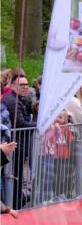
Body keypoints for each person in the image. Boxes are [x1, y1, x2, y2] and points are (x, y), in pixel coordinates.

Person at [1, 71, 36, 209]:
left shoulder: (18, 99)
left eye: (27, 84)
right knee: (14, 176)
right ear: (13, 86)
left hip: (17, 145)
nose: (25, 87)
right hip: (15, 147)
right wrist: (39, 125)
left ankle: (15, 202)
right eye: (22, 85)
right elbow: (20, 123)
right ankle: (14, 204)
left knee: (16, 177)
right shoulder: (12, 101)